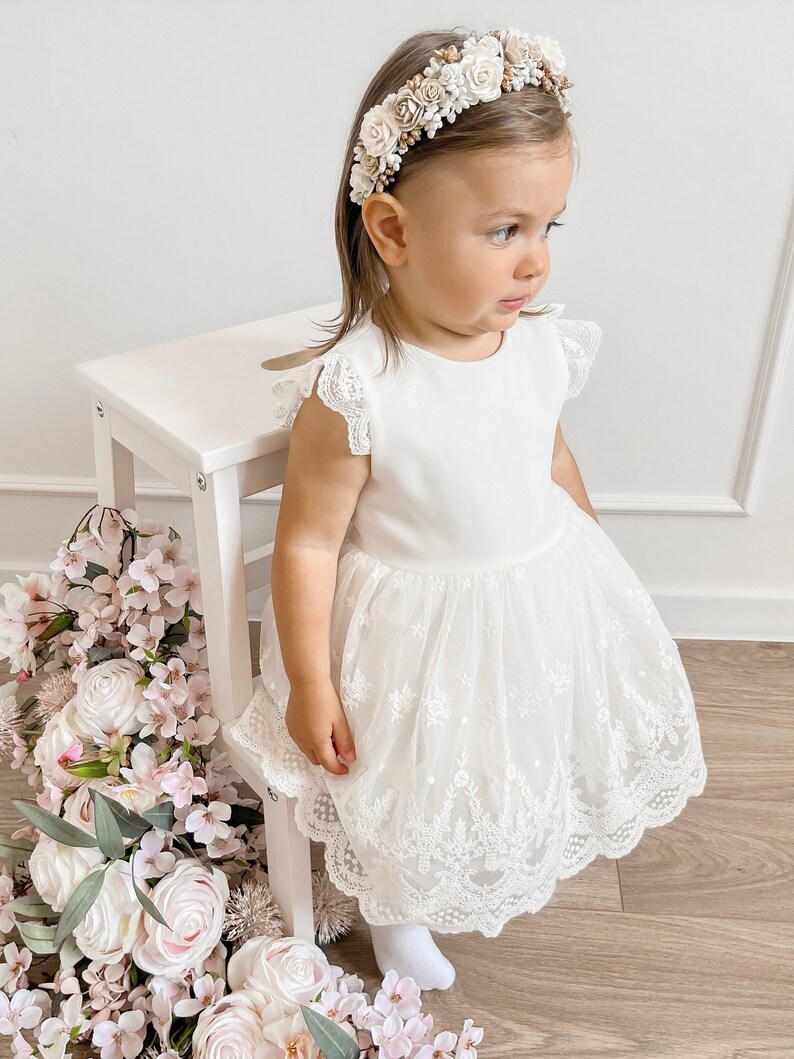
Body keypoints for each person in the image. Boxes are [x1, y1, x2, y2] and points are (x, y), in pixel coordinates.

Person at [230, 25, 708, 991]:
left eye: (547, 227)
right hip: (418, 625)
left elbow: (549, 451)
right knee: (405, 776)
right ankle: (397, 911)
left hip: (533, 583)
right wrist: (314, 682)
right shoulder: (361, 386)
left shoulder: (537, 345)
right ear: (393, 230)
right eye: (503, 231)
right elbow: (309, 544)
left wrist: (592, 553)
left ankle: (491, 842)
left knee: (501, 743)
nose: (534, 263)